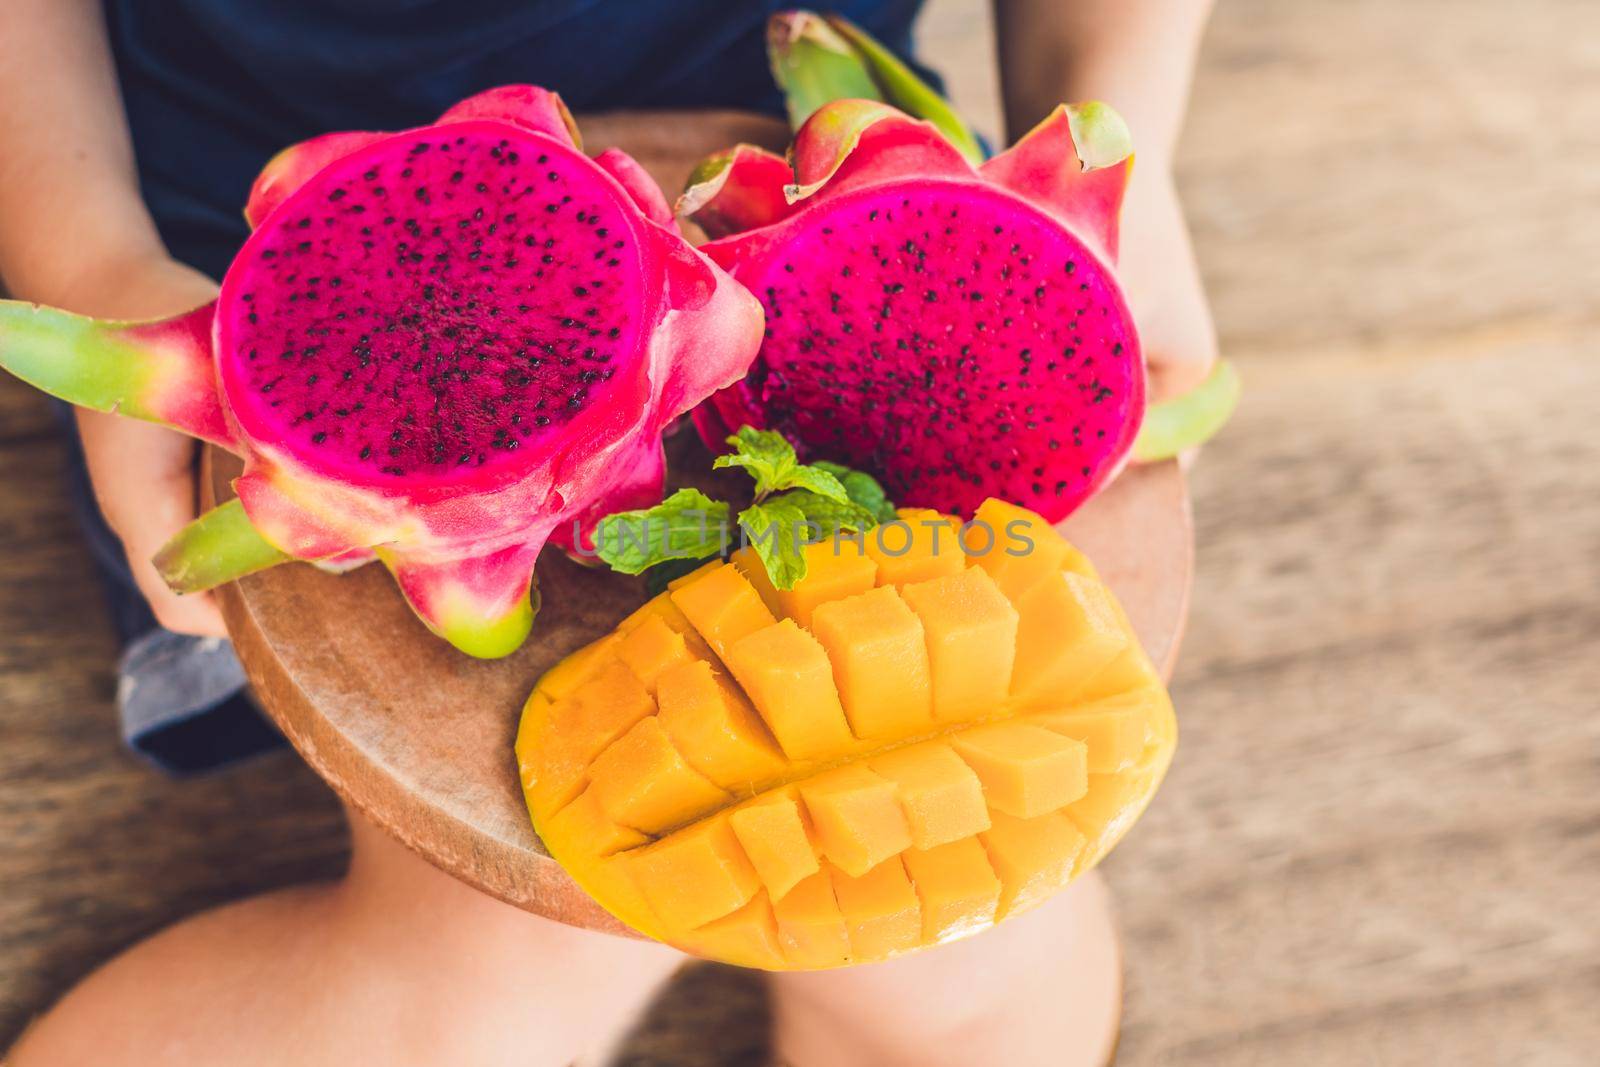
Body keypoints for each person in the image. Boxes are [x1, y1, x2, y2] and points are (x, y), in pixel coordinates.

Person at [0, 0, 1216, 1063]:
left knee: (971, 962)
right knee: (489, 978)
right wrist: (93, 259)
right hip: (256, 296)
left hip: (875, 210)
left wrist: (1118, 136)